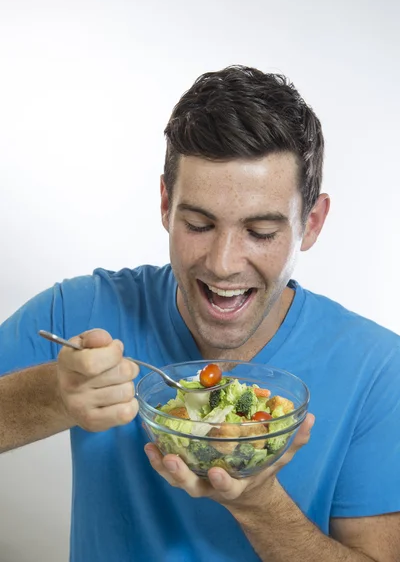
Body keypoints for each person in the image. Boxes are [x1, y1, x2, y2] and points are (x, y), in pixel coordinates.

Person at [0, 66, 399, 562]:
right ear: (166, 204)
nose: (223, 263)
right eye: (199, 223)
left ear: (311, 223)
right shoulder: (81, 309)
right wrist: (52, 394)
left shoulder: (379, 369)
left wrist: (259, 504)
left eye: (261, 231)